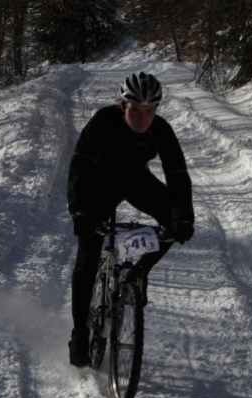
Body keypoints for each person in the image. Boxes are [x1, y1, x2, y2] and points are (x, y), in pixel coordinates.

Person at [66, 72, 195, 368]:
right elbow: (80, 165)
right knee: (89, 253)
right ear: (123, 105)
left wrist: (183, 218)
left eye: (150, 112)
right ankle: (79, 332)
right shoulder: (104, 121)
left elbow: (177, 175)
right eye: (135, 111)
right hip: (98, 186)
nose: (142, 118)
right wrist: (80, 211)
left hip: (136, 181)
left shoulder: (160, 130)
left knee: (172, 228)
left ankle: (138, 272)